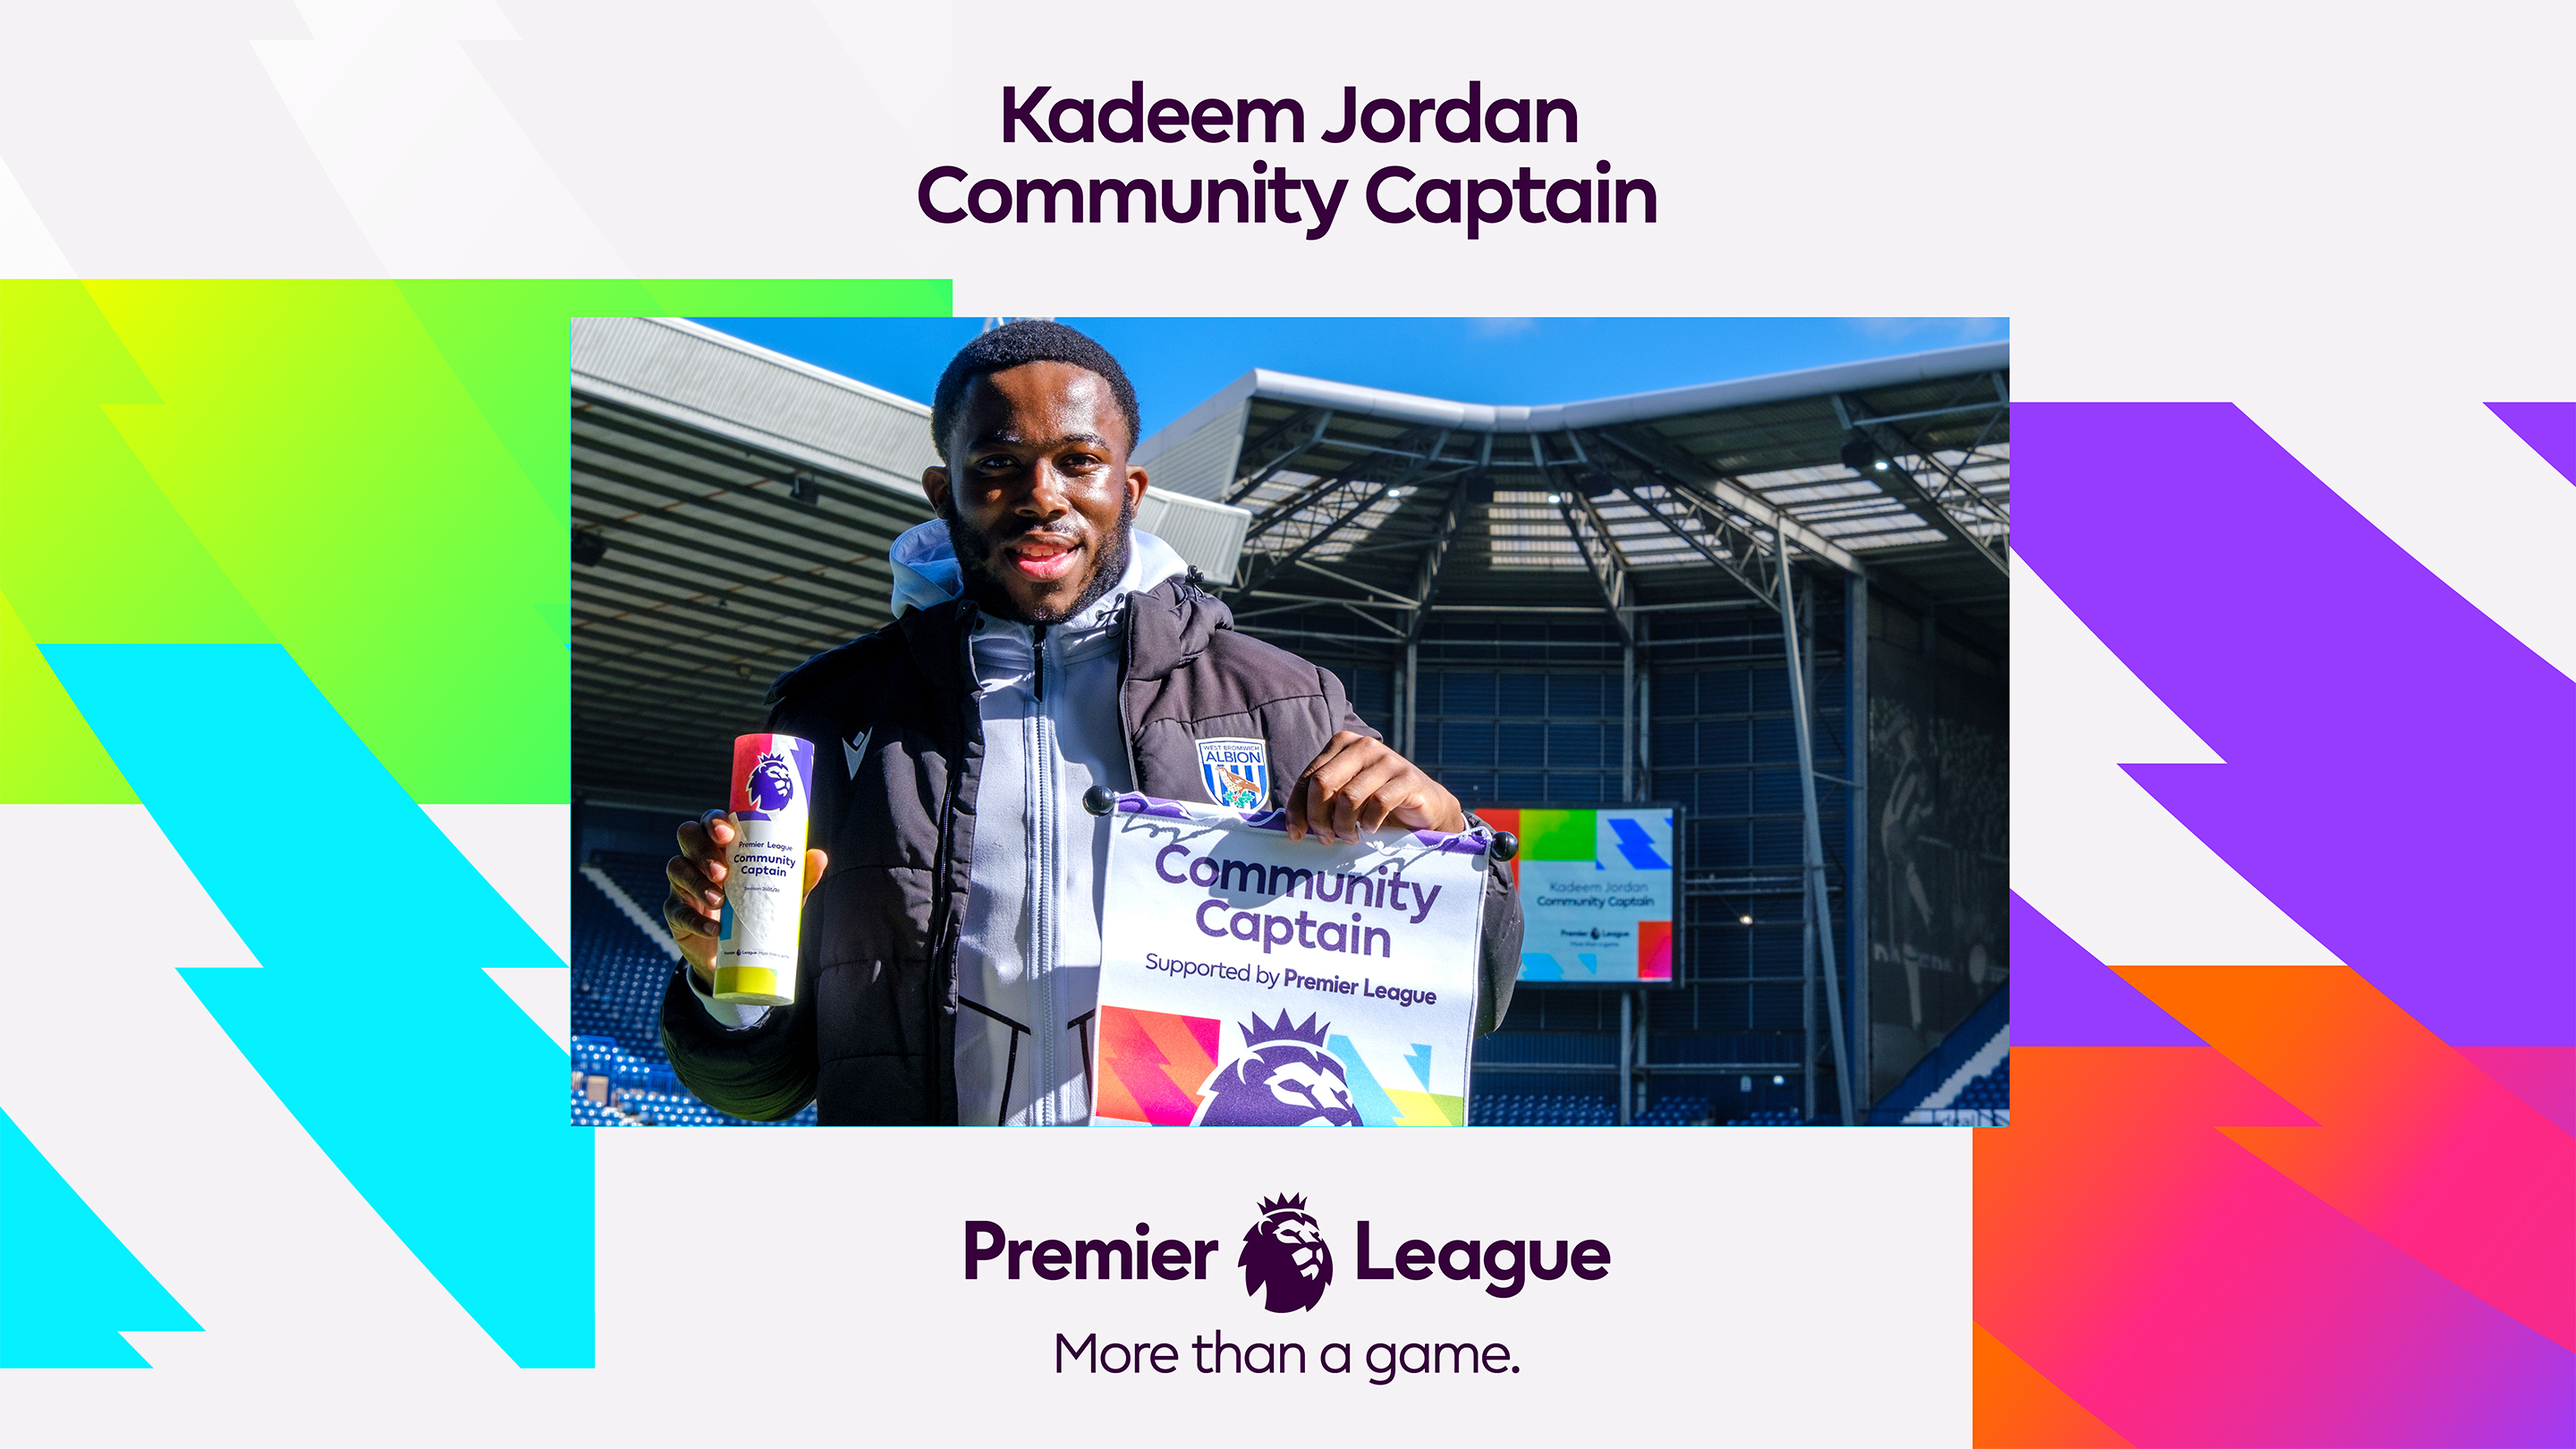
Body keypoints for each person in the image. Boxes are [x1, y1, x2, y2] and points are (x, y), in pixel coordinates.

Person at [658, 321, 1520, 1125]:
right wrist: (718, 982)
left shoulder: (1285, 700)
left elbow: (1470, 995)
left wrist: (1447, 843)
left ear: (1130, 488)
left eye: (1079, 461)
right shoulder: (833, 717)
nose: (1043, 497)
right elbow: (759, 1088)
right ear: (943, 489)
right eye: (997, 463)